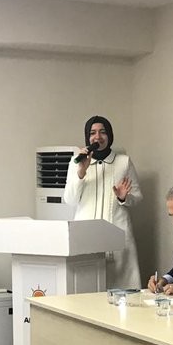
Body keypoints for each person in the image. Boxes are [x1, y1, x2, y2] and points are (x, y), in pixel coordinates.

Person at [64, 115, 142, 289]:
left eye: (102, 132)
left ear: (110, 135)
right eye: (92, 133)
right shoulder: (76, 163)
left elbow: (137, 197)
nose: (97, 137)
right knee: (87, 288)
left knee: (121, 290)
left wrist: (123, 198)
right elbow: (70, 199)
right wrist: (81, 173)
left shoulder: (123, 162)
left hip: (118, 236)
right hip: (86, 236)